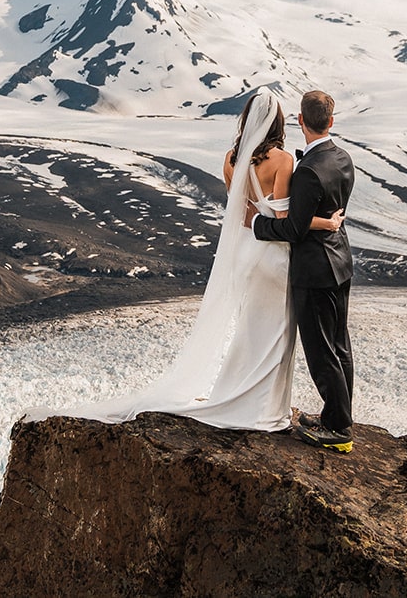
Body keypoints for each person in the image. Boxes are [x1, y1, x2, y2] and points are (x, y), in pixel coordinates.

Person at [37, 89, 342, 431]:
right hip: (273, 255)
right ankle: (265, 408)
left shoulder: (231, 158)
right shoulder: (284, 161)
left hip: (247, 252)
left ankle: (239, 396)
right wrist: (324, 222)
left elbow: (242, 215)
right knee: (278, 333)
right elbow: (287, 223)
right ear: (280, 122)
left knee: (251, 330)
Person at [250, 90, 356, 453]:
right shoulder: (342, 157)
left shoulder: (308, 171)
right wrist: (326, 224)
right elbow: (333, 211)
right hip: (340, 262)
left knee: (321, 350)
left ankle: (339, 429)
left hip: (314, 271)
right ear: (331, 121)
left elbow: (293, 229)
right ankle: (336, 417)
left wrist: (257, 227)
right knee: (339, 344)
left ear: (300, 121)